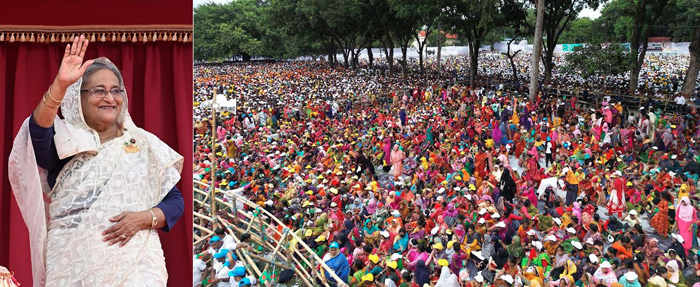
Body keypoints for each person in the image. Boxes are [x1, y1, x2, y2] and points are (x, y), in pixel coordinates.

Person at [8, 35, 184, 286]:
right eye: (98, 91)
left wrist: (144, 218)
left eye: (116, 91)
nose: (109, 98)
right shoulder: (65, 139)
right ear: (77, 98)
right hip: (73, 265)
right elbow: (37, 137)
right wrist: (60, 85)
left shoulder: (143, 143)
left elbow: (174, 201)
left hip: (135, 266)